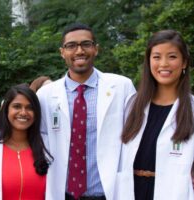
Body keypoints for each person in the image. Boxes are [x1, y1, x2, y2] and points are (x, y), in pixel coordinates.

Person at [36, 23, 136, 200]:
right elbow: (39, 140)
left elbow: (136, 137)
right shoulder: (45, 95)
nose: (79, 51)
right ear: (62, 52)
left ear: (96, 49)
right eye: (71, 46)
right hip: (63, 193)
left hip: (107, 192)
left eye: (86, 44)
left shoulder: (122, 87)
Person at [115, 30, 194, 200]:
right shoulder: (131, 104)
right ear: (149, 61)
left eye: (172, 57)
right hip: (131, 191)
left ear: (184, 62)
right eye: (156, 57)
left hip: (173, 193)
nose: (163, 64)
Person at [0, 84, 53, 200]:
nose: (23, 112)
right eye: (17, 106)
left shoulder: (48, 145)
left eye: (30, 108)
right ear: (6, 109)